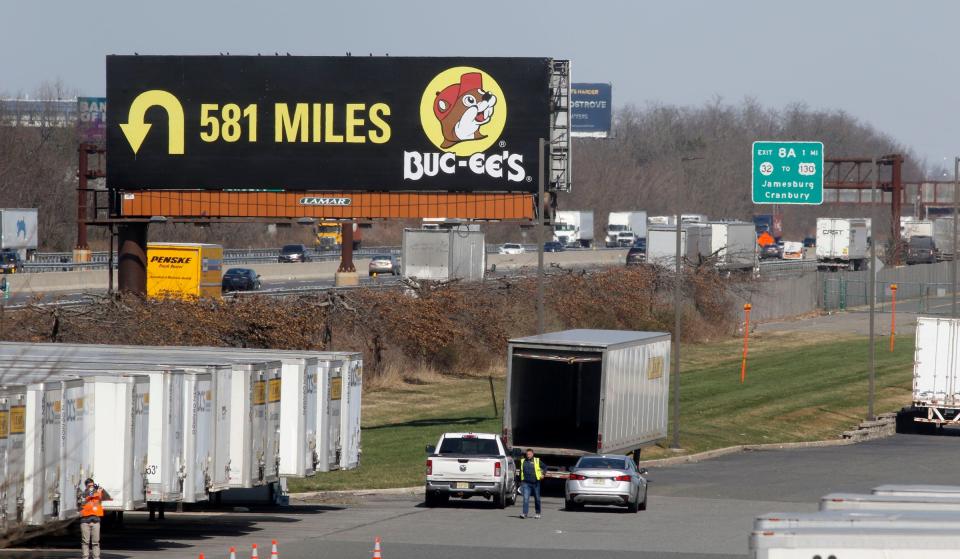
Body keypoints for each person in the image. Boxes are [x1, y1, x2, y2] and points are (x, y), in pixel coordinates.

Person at [78, 478, 111, 559]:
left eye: (93, 485)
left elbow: (107, 497)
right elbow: (83, 498)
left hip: (95, 521)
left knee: (96, 542)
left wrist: (102, 490)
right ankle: (85, 557)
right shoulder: (83, 494)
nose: (91, 487)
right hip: (85, 521)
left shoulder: (98, 493)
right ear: (86, 486)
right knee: (85, 542)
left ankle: (96, 557)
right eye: (89, 486)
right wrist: (92, 490)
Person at [518, 448, 545, 519]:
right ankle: (524, 513)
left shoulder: (536, 460)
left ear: (532, 454)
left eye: (529, 454)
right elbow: (521, 472)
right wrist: (519, 482)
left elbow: (545, 467)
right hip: (526, 483)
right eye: (527, 454)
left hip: (536, 483)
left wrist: (543, 474)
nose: (528, 455)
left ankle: (538, 513)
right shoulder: (523, 461)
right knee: (525, 498)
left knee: (537, 498)